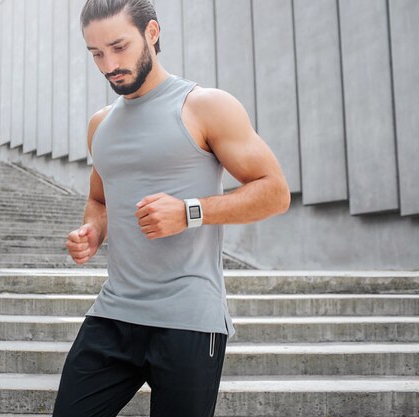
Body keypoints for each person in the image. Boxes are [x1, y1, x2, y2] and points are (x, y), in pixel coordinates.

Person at [53, 1, 290, 416]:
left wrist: (189, 212)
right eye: (96, 54)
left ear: (152, 33)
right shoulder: (100, 124)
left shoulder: (205, 105)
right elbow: (99, 199)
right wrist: (93, 230)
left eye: (119, 47)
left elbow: (274, 192)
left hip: (190, 318)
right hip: (114, 313)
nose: (109, 64)